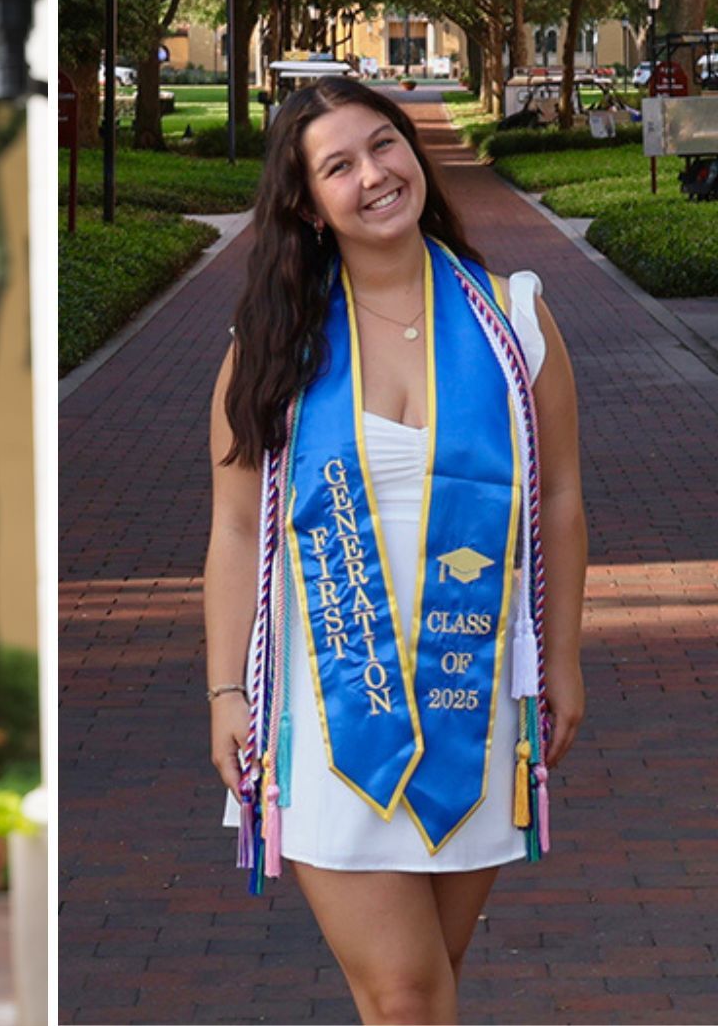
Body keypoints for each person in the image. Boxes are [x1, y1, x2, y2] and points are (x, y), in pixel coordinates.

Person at [203, 78, 586, 1024]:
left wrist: (565, 660)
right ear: (305, 200)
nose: (375, 175)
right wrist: (224, 689)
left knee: (430, 984)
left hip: (475, 700)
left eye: (386, 145)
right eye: (340, 164)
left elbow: (563, 502)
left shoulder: (514, 324)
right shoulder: (272, 345)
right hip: (334, 715)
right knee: (407, 994)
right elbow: (235, 526)